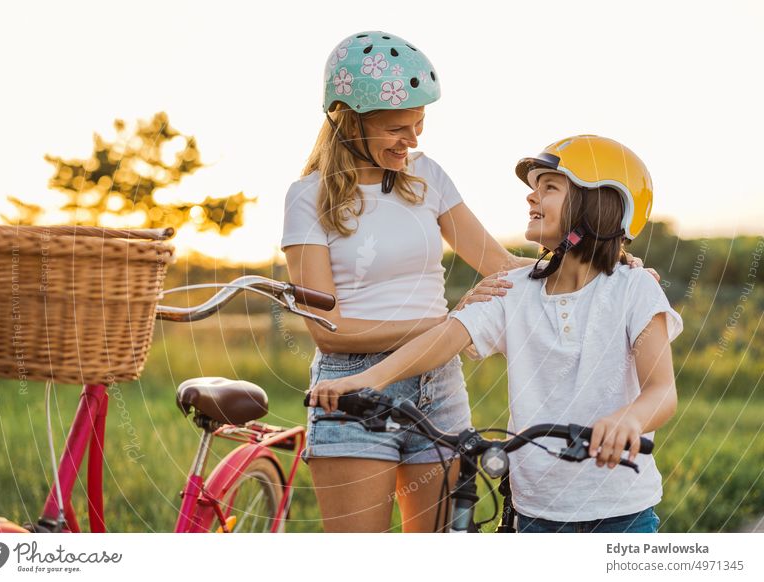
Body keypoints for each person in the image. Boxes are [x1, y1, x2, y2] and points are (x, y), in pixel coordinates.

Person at [309, 135, 682, 533]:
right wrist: (368, 379)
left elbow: (661, 390)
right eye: (533, 187)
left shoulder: (634, 288)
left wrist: (630, 419)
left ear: (602, 205)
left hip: (622, 512)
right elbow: (446, 339)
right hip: (537, 514)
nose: (531, 197)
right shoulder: (515, 289)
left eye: (550, 187)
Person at [281, 31, 528, 533]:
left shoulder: (427, 177)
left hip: (438, 387)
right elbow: (328, 330)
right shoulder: (307, 198)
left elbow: (501, 265)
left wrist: (601, 262)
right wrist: (444, 326)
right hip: (349, 387)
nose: (412, 140)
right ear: (348, 120)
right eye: (398, 127)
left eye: (418, 125)